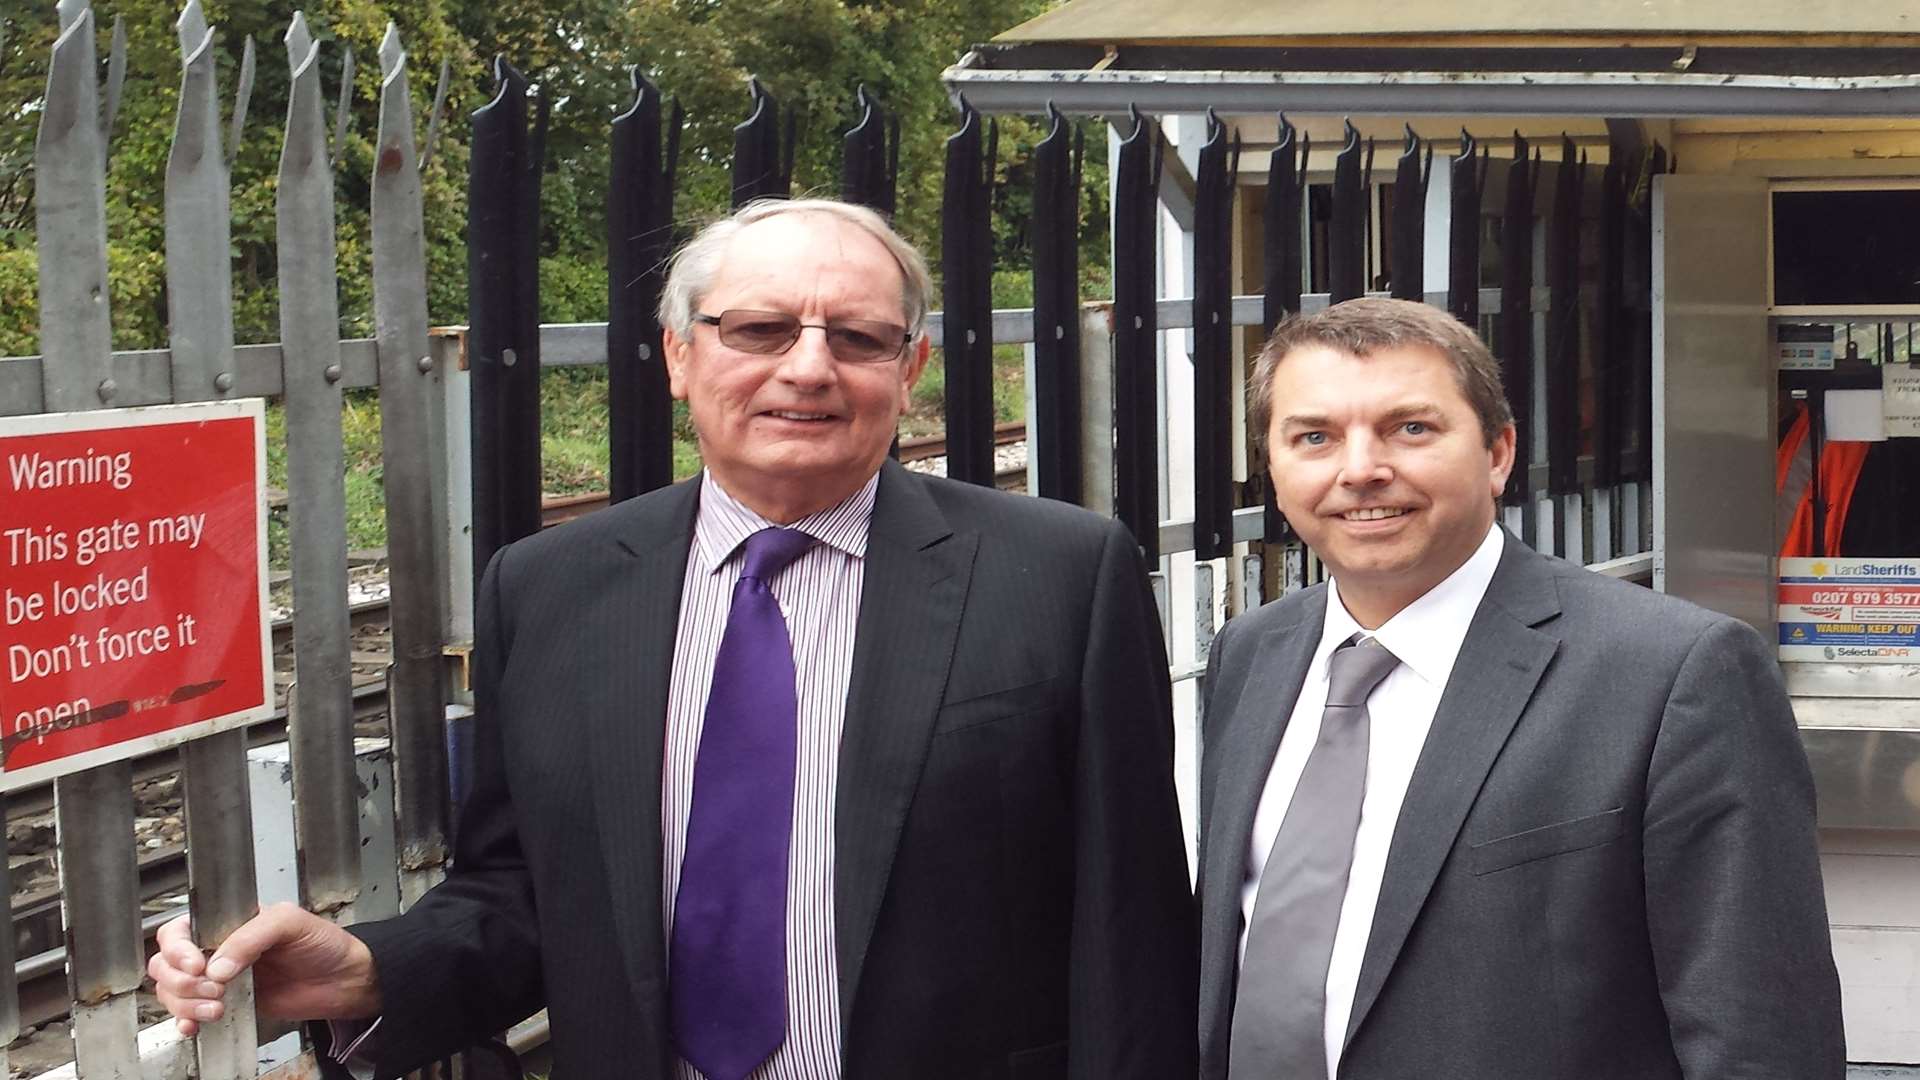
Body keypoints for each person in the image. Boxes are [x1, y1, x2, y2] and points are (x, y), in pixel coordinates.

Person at [149, 198, 1198, 1080]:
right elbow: (526, 894)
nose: (809, 368)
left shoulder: (1059, 576)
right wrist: (369, 972)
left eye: (859, 338)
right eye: (760, 331)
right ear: (679, 358)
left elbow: (1132, 932)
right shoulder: (552, 589)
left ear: (911, 367)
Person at [1196, 298, 1843, 1080]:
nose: (1360, 468)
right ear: (1273, 465)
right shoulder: (1250, 656)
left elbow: (1760, 1035)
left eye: (1411, 428)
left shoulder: (1674, 672)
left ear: (1498, 453)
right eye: (1314, 437)